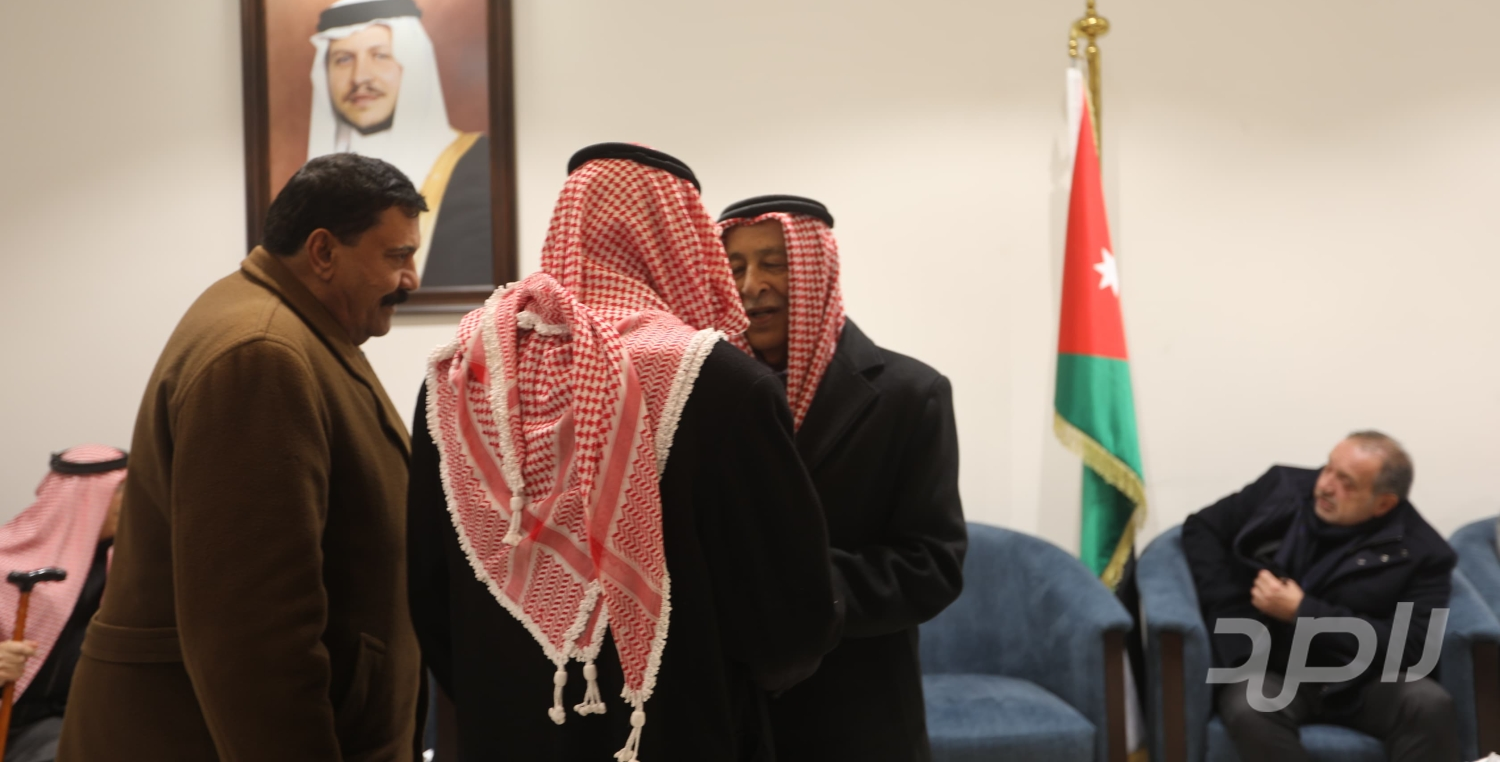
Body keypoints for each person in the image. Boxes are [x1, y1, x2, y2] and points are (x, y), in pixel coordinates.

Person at [409, 144, 844, 762]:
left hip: (504, 731)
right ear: (680, 240)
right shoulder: (724, 382)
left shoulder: (459, 375)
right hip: (676, 731)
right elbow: (789, 618)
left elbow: (429, 597)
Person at [59, 153, 427, 762]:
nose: (410, 279)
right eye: (396, 256)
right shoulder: (261, 352)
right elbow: (257, 632)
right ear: (323, 251)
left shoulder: (290, 328)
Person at [717, 194, 966, 762]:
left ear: (817, 271)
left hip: (856, 714)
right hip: (733, 712)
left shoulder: (911, 394)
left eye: (774, 263)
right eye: (735, 267)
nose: (752, 285)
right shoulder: (705, 393)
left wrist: (802, 589)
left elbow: (932, 566)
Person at [1182, 431, 1458, 761]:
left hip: (1361, 680)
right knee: (1250, 705)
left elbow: (1413, 648)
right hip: (1275, 668)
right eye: (1328, 469)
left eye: (1347, 483)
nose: (1325, 486)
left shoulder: (1423, 552)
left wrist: (1304, 613)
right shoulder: (1282, 489)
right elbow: (1201, 529)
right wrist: (1234, 607)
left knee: (1428, 703)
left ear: (1383, 503)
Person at [307, 0, 491, 286]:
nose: (359, 77)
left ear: (413, 66)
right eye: (343, 59)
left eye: (380, 55)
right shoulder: (311, 184)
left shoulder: (478, 164)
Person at [0, 447, 126, 762]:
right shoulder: (7, 558)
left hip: (67, 719)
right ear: (85, 497)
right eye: (122, 490)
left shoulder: (126, 567)